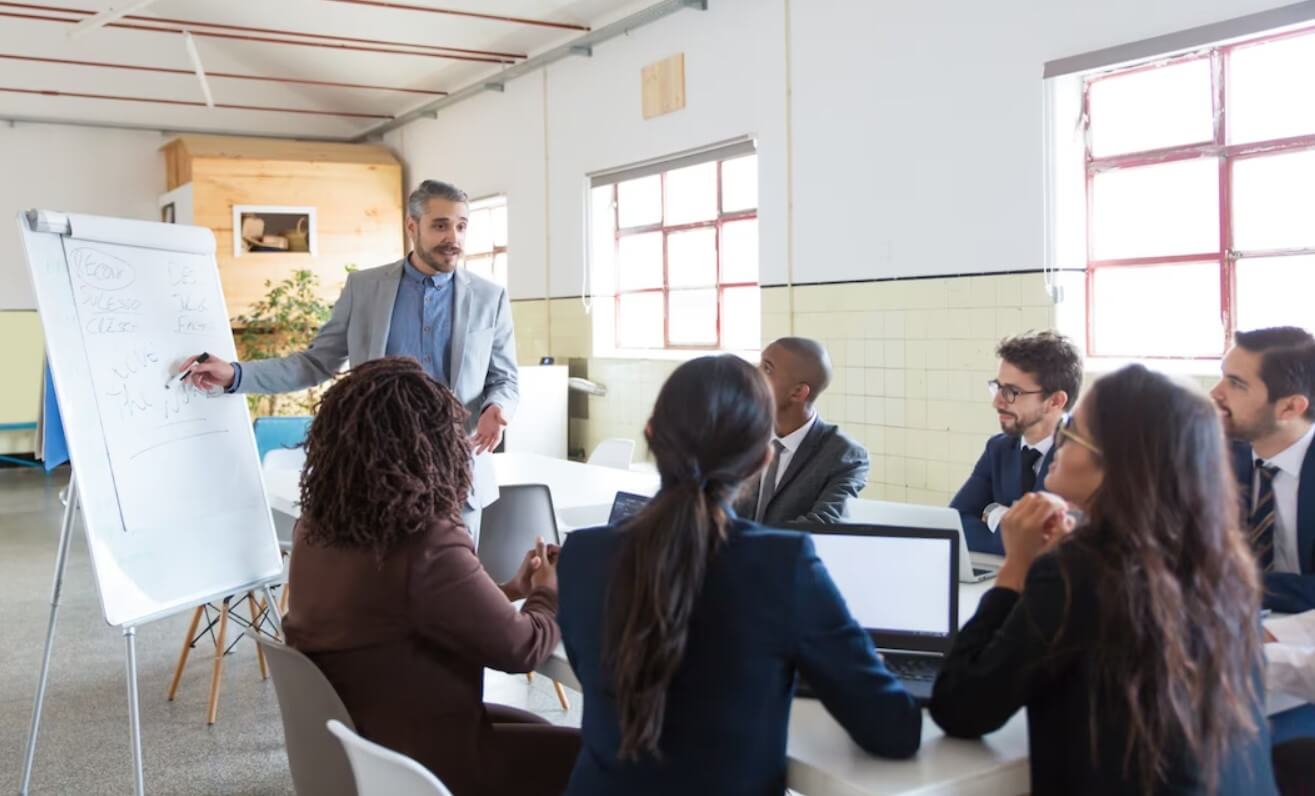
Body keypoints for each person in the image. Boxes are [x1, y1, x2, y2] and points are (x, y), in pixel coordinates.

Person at [556, 355, 921, 796]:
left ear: (651, 433)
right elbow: (893, 731)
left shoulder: (582, 555)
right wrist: (867, 670)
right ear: (762, 459)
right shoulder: (783, 564)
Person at [930, 365, 1276, 795]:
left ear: (1116, 464)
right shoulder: (1223, 563)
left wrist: (1015, 568)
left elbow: (960, 706)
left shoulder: (1079, 572)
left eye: (1073, 430)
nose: (1059, 439)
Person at [282, 357, 578, 796]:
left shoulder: (314, 528)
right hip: (423, 765)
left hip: (369, 743)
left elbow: (407, 610)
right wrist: (549, 594)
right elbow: (522, 649)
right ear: (430, 445)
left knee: (534, 725)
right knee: (596, 755)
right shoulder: (423, 541)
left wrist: (513, 590)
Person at [180, 180, 518, 541]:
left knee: (453, 594)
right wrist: (235, 374)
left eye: (461, 225)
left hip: (459, 476)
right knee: (381, 592)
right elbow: (314, 363)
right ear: (412, 226)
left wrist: (498, 407)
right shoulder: (364, 288)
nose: (453, 237)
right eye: (440, 225)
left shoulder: (490, 298)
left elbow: (505, 379)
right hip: (380, 473)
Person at [1210, 327, 1315, 614]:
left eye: (1235, 384)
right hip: (1228, 627)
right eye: (1222, 376)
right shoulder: (1215, 456)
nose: (1215, 393)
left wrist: (1232, 582)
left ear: (1290, 408)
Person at [950, 330, 1082, 555]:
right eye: (997, 387)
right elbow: (955, 523)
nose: (997, 402)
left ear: (1056, 401)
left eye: (1012, 391)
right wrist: (1018, 537)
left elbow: (1055, 547)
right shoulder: (998, 448)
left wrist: (993, 515)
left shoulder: (1084, 454)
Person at [733, 337, 869, 524]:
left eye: (767, 368)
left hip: (788, 553)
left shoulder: (845, 455)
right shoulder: (741, 435)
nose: (754, 375)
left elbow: (821, 526)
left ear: (798, 392)